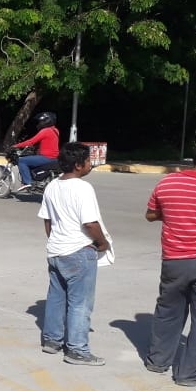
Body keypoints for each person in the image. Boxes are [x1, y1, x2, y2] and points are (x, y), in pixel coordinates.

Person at [37, 142, 110, 365]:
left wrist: (56, 242)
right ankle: (77, 350)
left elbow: (48, 221)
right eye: (88, 161)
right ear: (78, 165)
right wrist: (102, 242)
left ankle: (52, 341)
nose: (90, 165)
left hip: (56, 251)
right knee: (80, 303)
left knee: (56, 297)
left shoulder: (52, 186)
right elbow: (90, 223)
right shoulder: (83, 188)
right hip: (79, 251)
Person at [143, 147, 196, 386]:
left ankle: (157, 361)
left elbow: (150, 215)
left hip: (174, 260)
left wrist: (173, 214)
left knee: (168, 311)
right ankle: (187, 373)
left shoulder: (168, 182)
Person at [13, 111, 60, 190]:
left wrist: (16, 146)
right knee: (32, 159)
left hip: (46, 157)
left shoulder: (45, 131)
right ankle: (35, 180)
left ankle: (27, 182)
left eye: (41, 121)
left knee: (22, 161)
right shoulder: (55, 130)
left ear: (46, 121)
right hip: (54, 158)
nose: (39, 123)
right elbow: (48, 142)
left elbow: (30, 141)